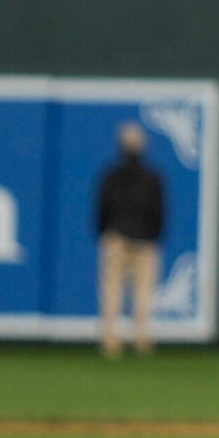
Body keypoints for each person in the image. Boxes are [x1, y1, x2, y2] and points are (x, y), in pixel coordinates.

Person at [93, 124, 164, 357]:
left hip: (118, 239)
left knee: (113, 291)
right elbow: (159, 212)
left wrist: (104, 232)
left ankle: (110, 340)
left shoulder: (112, 175)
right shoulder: (152, 177)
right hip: (144, 240)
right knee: (143, 293)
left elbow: (102, 208)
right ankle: (141, 339)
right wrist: (153, 236)